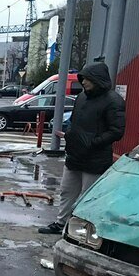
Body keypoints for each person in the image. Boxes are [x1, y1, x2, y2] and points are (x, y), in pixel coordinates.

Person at [39, 62, 125, 234]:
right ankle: (61, 224)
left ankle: (82, 231)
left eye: (86, 79)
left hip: (95, 159)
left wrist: (94, 142)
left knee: (88, 197)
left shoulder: (113, 101)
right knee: (66, 191)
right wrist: (70, 135)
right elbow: (74, 121)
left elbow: (117, 131)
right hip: (75, 155)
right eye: (82, 78)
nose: (83, 82)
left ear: (97, 80)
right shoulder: (82, 97)